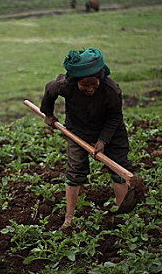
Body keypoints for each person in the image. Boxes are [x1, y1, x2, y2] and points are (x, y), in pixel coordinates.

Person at [40, 48, 132, 229]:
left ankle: (124, 217)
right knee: (75, 170)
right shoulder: (65, 85)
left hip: (111, 130)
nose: (89, 89)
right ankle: (69, 219)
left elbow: (115, 118)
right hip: (78, 130)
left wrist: (103, 140)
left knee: (119, 169)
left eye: (93, 84)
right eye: (84, 85)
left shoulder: (111, 90)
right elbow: (49, 91)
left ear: (100, 79)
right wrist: (48, 114)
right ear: (75, 82)